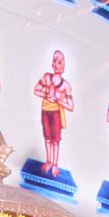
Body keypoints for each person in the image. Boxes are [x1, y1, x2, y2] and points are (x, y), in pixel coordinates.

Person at [32, 50, 74, 178]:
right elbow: (36, 90)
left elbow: (70, 106)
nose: (57, 64)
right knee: (47, 137)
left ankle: (55, 164)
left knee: (55, 140)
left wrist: (58, 100)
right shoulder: (46, 77)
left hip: (56, 113)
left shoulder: (65, 85)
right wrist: (47, 94)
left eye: (60, 62)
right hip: (45, 110)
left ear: (63, 65)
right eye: (55, 61)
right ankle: (49, 160)